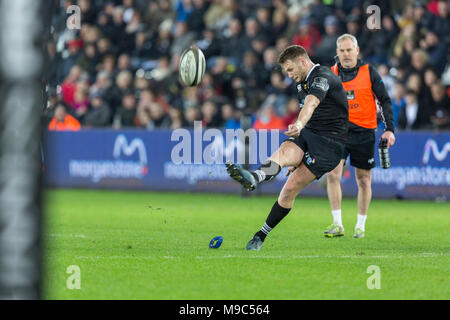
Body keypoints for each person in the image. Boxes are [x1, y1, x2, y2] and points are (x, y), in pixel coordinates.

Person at [225, 45, 348, 250]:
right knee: (283, 153)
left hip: (330, 145)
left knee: (289, 190)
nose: (289, 75)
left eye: (290, 70)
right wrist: (299, 146)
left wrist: (298, 124)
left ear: (302, 61)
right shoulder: (301, 83)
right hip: (310, 134)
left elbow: (311, 104)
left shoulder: (321, 76)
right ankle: (254, 178)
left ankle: (261, 235)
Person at [324, 34, 396, 239]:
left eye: (349, 50)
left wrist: (390, 129)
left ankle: (360, 226)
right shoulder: (331, 74)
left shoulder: (369, 72)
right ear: (337, 53)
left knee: (363, 180)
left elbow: (385, 100)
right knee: (332, 174)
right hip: (338, 132)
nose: (346, 54)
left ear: (356, 51)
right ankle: (337, 224)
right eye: (342, 51)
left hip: (364, 132)